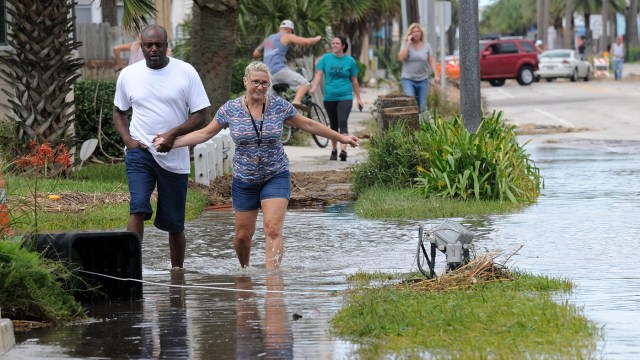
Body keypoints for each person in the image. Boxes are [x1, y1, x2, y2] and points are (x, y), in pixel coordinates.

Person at [154, 61, 359, 270]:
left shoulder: (280, 106)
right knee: (243, 237)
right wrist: (171, 142)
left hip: (275, 174)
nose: (260, 87)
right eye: (255, 82)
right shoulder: (231, 109)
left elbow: (308, 124)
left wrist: (340, 137)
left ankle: (273, 281)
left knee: (272, 229)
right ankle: (245, 271)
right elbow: (205, 133)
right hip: (244, 179)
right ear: (245, 82)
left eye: (264, 83)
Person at [113, 25, 210, 270]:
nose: (154, 49)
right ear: (141, 47)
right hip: (140, 152)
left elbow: (201, 115)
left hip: (174, 154)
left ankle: (177, 274)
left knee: (174, 223)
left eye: (159, 44)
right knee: (137, 208)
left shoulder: (185, 72)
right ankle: (130, 269)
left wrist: (173, 134)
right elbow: (119, 111)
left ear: (167, 45)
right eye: (149, 45)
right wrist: (128, 140)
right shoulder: (128, 74)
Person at [310, 35, 364, 161]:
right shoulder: (326, 59)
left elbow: (354, 81)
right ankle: (334, 150)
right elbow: (319, 74)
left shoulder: (350, 61)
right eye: (333, 43)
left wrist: (359, 98)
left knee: (342, 122)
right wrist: (314, 87)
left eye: (337, 43)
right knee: (333, 125)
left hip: (345, 96)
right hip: (329, 97)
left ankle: (343, 151)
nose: (334, 45)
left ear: (343, 46)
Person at [252, 19, 322, 105]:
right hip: (279, 70)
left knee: (273, 104)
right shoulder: (287, 35)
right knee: (305, 83)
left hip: (267, 75)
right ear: (289, 30)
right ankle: (296, 101)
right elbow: (305, 41)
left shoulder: (268, 38)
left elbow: (255, 54)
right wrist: (316, 39)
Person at [397, 23, 440, 113]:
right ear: (410, 34)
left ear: (421, 33)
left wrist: (436, 75)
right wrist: (408, 43)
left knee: (422, 106)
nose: (416, 33)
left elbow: (431, 60)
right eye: (413, 32)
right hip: (408, 79)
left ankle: (423, 125)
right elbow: (401, 58)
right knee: (410, 103)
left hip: (422, 79)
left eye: (417, 31)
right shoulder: (405, 44)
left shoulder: (426, 45)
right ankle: (411, 125)